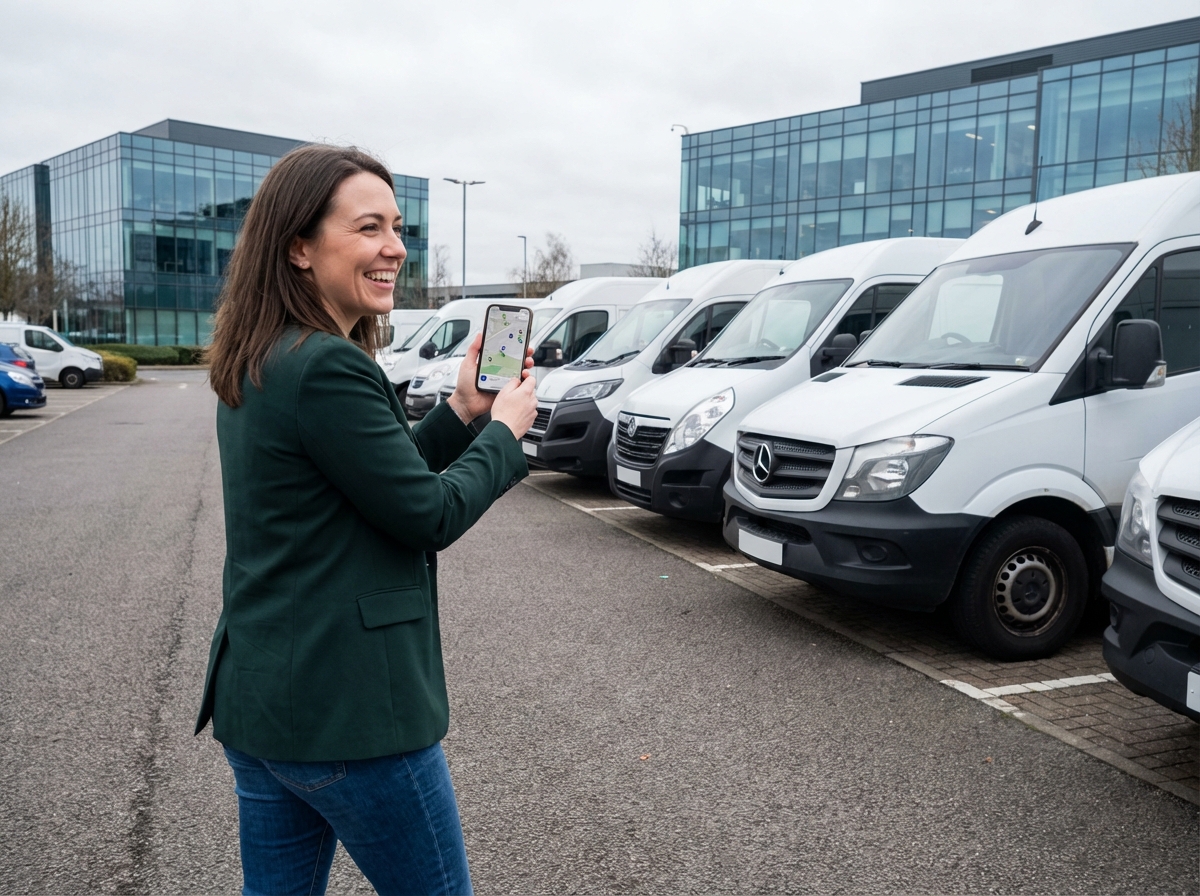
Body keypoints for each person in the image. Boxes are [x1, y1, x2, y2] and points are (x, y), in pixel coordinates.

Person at [197, 144, 537, 896]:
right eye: (369, 228)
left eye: (397, 226)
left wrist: (462, 412)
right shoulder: (327, 365)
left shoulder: (264, 356)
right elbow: (426, 512)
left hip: (265, 704)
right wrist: (506, 434)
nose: (395, 248)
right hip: (349, 716)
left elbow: (372, 482)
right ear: (299, 247)